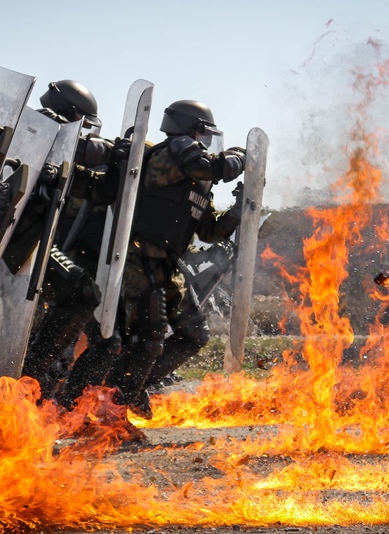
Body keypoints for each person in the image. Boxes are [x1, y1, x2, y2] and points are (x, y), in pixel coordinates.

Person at [55, 100, 246, 417]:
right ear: (190, 129)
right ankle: (107, 410)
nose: (205, 142)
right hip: (139, 260)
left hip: (169, 267)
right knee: (148, 339)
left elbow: (210, 231)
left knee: (193, 335)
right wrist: (240, 158)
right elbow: (213, 166)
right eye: (202, 134)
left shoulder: (195, 181)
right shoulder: (172, 153)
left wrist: (239, 212)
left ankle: (128, 391)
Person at [10, 80, 127, 396]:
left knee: (83, 292)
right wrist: (91, 147)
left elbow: (99, 190)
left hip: (34, 248)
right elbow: (59, 138)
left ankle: (29, 382)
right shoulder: (30, 128)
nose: (85, 135)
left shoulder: (62, 156)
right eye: (82, 127)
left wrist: (119, 162)